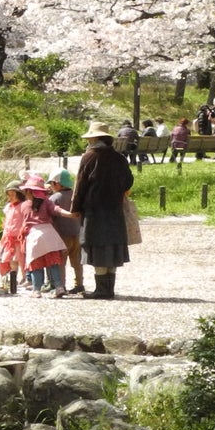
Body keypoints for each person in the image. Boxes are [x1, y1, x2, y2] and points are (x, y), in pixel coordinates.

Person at [72, 123, 133, 299]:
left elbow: (80, 185)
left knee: (97, 247)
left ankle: (100, 290)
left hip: (94, 210)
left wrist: (75, 208)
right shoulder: (119, 158)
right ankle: (109, 289)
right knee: (111, 246)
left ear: (95, 139)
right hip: (114, 209)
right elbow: (128, 181)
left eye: (90, 138)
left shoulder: (89, 157)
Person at [18, 177, 69, 295]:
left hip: (34, 236)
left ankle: (36, 290)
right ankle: (59, 287)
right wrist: (70, 214)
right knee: (53, 264)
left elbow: (24, 223)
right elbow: (57, 210)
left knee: (36, 265)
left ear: (28, 191)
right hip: (50, 234)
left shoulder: (24, 205)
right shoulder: (46, 202)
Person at [44, 169, 84, 295]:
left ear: (57, 184)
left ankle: (61, 286)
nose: (51, 186)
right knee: (77, 261)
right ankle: (79, 284)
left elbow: (50, 217)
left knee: (61, 261)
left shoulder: (54, 198)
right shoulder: (75, 195)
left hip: (61, 236)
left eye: (51, 183)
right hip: (77, 233)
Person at [0, 179, 27, 295]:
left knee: (21, 259)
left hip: (19, 237)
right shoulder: (9, 207)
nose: (11, 197)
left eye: (13, 194)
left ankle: (26, 278)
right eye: (9, 195)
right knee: (10, 259)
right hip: (9, 238)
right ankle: (13, 279)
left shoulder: (24, 205)